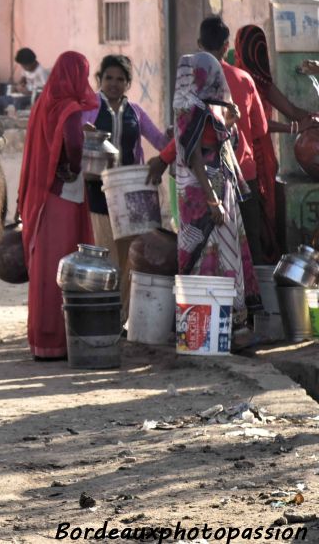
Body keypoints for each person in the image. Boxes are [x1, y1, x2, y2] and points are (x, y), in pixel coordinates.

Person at [147, 17, 269, 263]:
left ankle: (211, 300)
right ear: (226, 46)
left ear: (199, 44)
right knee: (248, 249)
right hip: (243, 174)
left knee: (209, 252)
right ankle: (254, 299)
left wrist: (163, 159)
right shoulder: (244, 80)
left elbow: (189, 133)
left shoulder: (196, 80)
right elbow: (261, 130)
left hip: (209, 181)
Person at [169, 52, 262, 326]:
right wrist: (212, 201)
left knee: (225, 249)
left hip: (221, 189)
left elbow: (221, 143)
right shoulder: (189, 106)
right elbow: (195, 156)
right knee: (205, 249)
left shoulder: (210, 105)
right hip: (202, 193)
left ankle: (227, 322)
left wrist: (230, 122)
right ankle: (203, 322)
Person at [17, 51, 100, 360]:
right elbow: (74, 145)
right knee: (65, 268)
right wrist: (76, 165)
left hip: (43, 198)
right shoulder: (68, 108)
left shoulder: (43, 104)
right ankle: (61, 341)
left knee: (44, 269)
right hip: (65, 195)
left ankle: (42, 339)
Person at [82, 54, 169, 320]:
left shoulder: (136, 112)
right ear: (100, 79)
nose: (114, 84)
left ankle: (122, 317)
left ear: (127, 83)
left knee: (131, 257)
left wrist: (174, 140)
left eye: (120, 79)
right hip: (98, 192)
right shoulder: (89, 109)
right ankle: (103, 316)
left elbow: (158, 141)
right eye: (109, 78)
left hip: (131, 194)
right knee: (105, 255)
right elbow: (74, 142)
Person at [233, 25, 318, 262]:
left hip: (265, 158)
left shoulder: (262, 81)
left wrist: (312, 119)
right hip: (245, 157)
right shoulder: (238, 80)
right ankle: (257, 269)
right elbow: (256, 124)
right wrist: (293, 129)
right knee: (253, 215)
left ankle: (266, 267)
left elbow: (292, 111)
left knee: (267, 211)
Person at [0, 48, 51, 115]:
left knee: (19, 102)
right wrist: (18, 87)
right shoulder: (26, 70)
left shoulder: (41, 71)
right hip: (22, 95)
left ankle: (19, 122)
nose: (23, 67)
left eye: (25, 65)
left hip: (34, 97)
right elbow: (22, 80)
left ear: (32, 63)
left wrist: (29, 92)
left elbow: (47, 90)